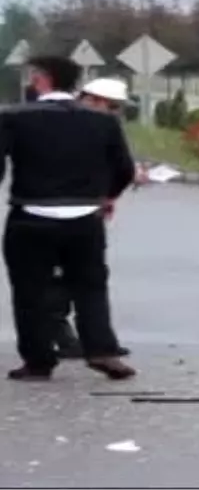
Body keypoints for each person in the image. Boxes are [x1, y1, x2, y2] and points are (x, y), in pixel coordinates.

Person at [0, 55, 137, 381]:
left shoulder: (14, 118)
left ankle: (38, 361)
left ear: (41, 79)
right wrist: (105, 196)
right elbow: (124, 170)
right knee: (90, 286)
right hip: (84, 217)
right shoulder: (103, 122)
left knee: (29, 290)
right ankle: (102, 350)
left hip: (31, 214)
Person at [49, 77, 139, 360]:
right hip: (60, 211)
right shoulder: (64, 126)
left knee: (84, 276)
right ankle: (61, 335)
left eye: (118, 109)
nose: (115, 114)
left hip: (88, 209)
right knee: (63, 276)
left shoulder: (101, 126)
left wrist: (112, 191)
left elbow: (115, 165)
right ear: (92, 100)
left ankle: (93, 340)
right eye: (112, 107)